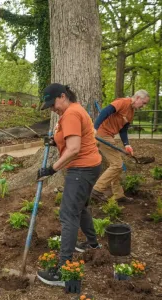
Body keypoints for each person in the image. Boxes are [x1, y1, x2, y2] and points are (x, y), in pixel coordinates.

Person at [36, 83, 102, 286]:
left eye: (52, 103)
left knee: (68, 214)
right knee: (80, 208)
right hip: (88, 166)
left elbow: (73, 148)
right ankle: (93, 244)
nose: (52, 108)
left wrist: (51, 169)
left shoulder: (72, 114)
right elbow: (73, 138)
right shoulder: (74, 111)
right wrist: (55, 141)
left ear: (63, 96)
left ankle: (63, 271)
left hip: (81, 169)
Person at [91, 90, 150, 202]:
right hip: (102, 134)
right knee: (117, 165)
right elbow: (105, 112)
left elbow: (123, 130)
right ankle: (97, 190)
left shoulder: (131, 112)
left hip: (109, 136)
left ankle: (118, 195)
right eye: (143, 103)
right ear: (137, 98)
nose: (144, 106)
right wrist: (95, 128)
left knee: (116, 164)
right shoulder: (123, 102)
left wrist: (127, 145)